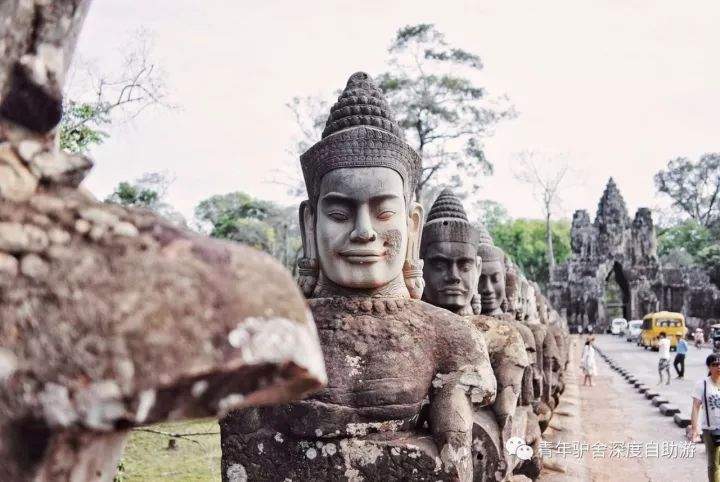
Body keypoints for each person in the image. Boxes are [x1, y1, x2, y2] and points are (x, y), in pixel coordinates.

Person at [690, 354, 720, 481]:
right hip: (711, 430)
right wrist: (694, 429)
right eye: (714, 365)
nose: (718, 367)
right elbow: (696, 407)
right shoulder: (702, 384)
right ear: (709, 367)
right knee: (714, 464)